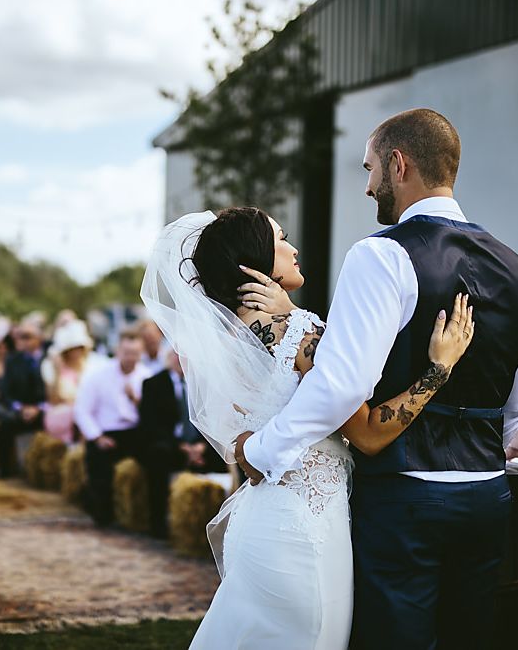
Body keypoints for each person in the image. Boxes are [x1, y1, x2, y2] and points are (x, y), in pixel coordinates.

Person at [233, 109, 518, 649]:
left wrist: (264, 452)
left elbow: (341, 385)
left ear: (398, 163)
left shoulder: (381, 254)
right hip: (488, 495)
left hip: (406, 498)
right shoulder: (512, 263)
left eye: (369, 169)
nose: (367, 186)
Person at [141, 205, 475, 649]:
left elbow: (241, 449)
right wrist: (439, 371)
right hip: (306, 536)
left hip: (260, 524)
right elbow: (371, 434)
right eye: (281, 239)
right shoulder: (303, 333)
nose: (293, 248)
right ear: (253, 261)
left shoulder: (220, 345)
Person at [138, 349, 228, 537]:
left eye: (186, 354)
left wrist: (200, 446)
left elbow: (215, 419)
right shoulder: (154, 384)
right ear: (169, 357)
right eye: (176, 354)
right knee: (157, 455)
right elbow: (150, 424)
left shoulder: (204, 383)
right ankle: (158, 523)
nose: (181, 359)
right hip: (170, 444)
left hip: (200, 443)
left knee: (227, 455)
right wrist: (182, 447)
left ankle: (218, 523)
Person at [73, 328, 149, 526]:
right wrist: (97, 437)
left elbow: (153, 415)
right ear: (118, 351)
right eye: (126, 353)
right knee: (99, 461)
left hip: (137, 432)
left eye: (135, 353)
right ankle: (102, 513)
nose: (130, 358)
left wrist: (136, 400)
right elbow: (82, 410)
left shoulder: (147, 376)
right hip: (106, 431)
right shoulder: (98, 375)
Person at [0, 319, 47, 478]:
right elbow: (5, 392)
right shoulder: (12, 361)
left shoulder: (50, 359)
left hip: (45, 410)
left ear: (39, 339)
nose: (22, 340)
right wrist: (21, 408)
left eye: (27, 336)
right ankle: (4, 467)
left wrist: (39, 408)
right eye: (20, 336)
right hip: (20, 410)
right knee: (5, 424)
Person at [40, 319, 96, 444]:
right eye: (72, 348)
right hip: (63, 414)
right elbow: (53, 398)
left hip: (87, 412)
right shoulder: (52, 368)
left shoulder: (90, 366)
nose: (76, 352)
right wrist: (57, 372)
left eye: (79, 348)